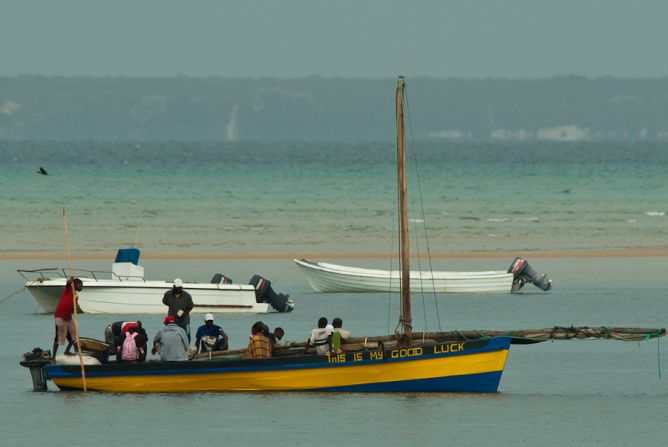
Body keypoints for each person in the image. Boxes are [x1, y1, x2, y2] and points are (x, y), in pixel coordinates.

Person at [51, 277, 83, 360]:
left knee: (74, 335)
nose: (82, 286)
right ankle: (53, 357)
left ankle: (67, 351)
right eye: (80, 285)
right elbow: (68, 283)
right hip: (60, 316)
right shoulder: (68, 290)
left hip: (68, 317)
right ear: (75, 284)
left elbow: (73, 308)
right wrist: (70, 281)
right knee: (58, 337)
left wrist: (76, 307)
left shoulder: (76, 296)